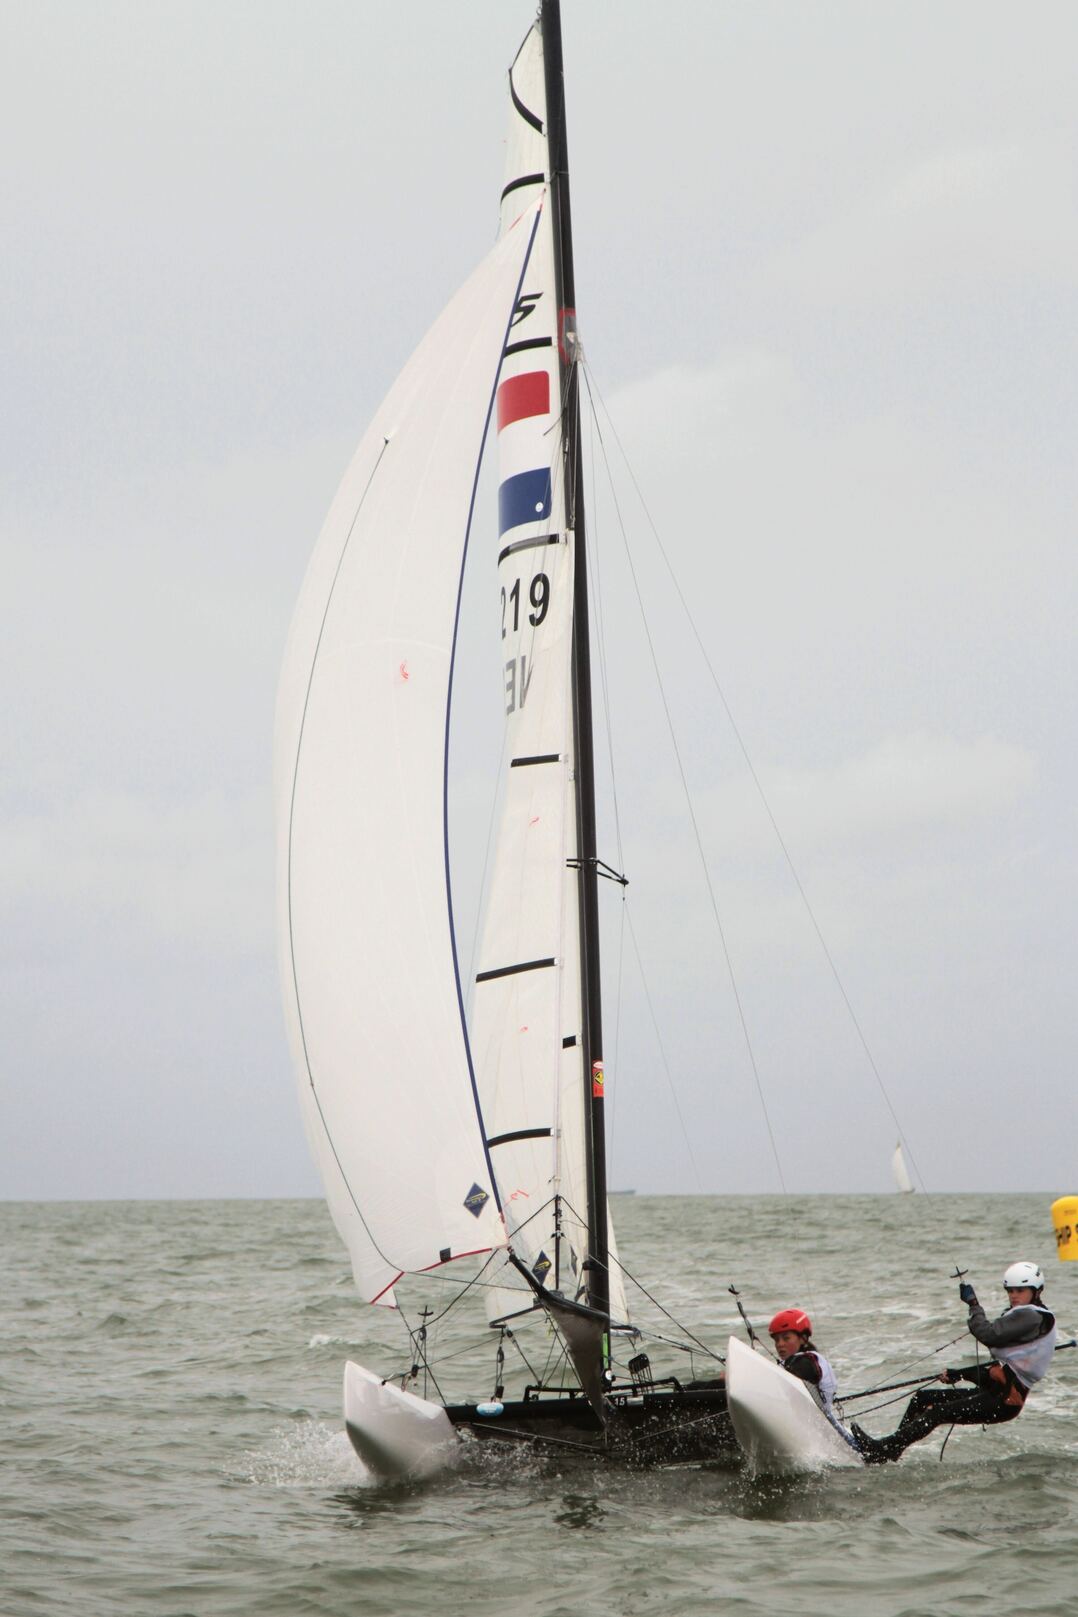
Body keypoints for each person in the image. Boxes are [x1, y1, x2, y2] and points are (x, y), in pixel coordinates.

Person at [852, 1261, 1056, 1464]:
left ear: (1037, 1291)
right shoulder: (1029, 1315)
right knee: (921, 1399)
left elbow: (988, 1334)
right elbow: (997, 1375)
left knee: (937, 1413)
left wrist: (974, 1305)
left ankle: (881, 1451)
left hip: (1004, 1402)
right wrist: (959, 1374)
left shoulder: (1032, 1316)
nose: (1014, 1295)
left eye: (1020, 1290)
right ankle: (890, 1451)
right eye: (1010, 1290)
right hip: (994, 1392)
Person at [768, 1308, 841, 1418]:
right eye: (776, 1340)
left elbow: (802, 1372)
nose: (780, 1344)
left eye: (786, 1338)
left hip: (814, 1422)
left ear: (803, 1338)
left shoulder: (806, 1362)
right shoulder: (803, 1359)